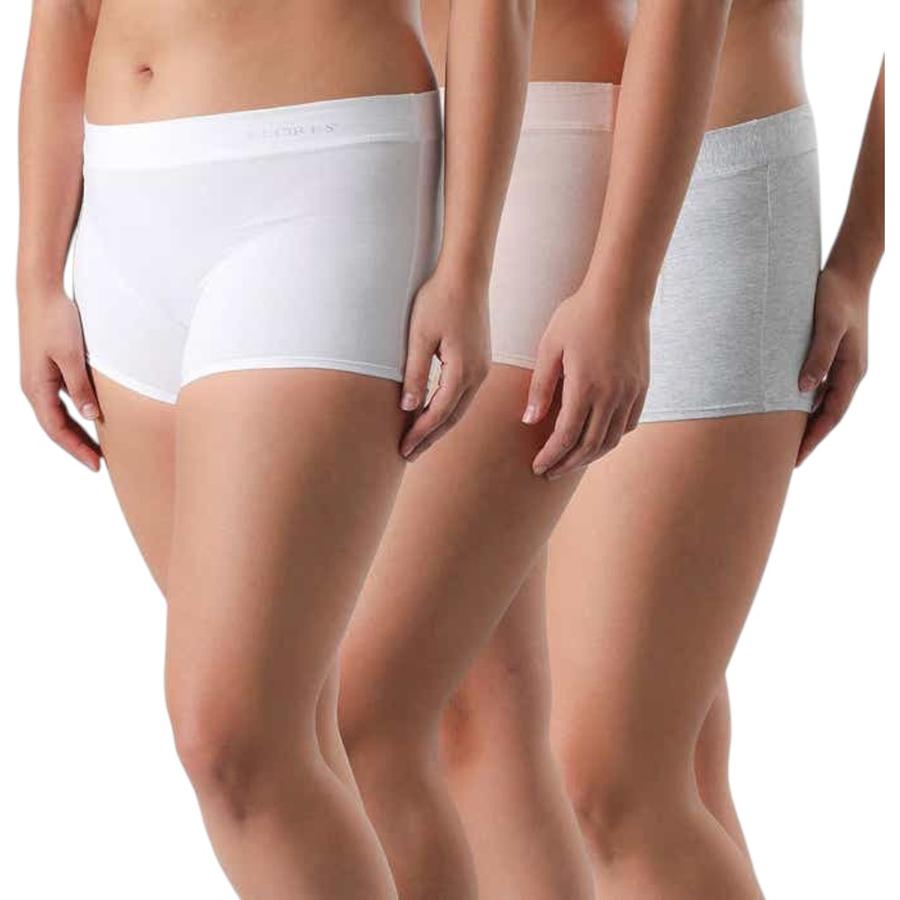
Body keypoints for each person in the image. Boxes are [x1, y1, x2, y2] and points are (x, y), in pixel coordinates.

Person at [16, 2, 533, 896]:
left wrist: (468, 267)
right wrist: (33, 276)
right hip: (121, 202)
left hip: (317, 182)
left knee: (233, 736)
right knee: (292, 729)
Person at [438, 4, 885, 900]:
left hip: (708, 191)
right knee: (518, 741)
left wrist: (861, 256)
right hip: (517, 170)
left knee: (609, 778)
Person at [338, 1, 736, 897]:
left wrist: (620, 292)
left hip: (540, 141)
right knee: (477, 720)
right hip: (384, 141)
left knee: (360, 713)